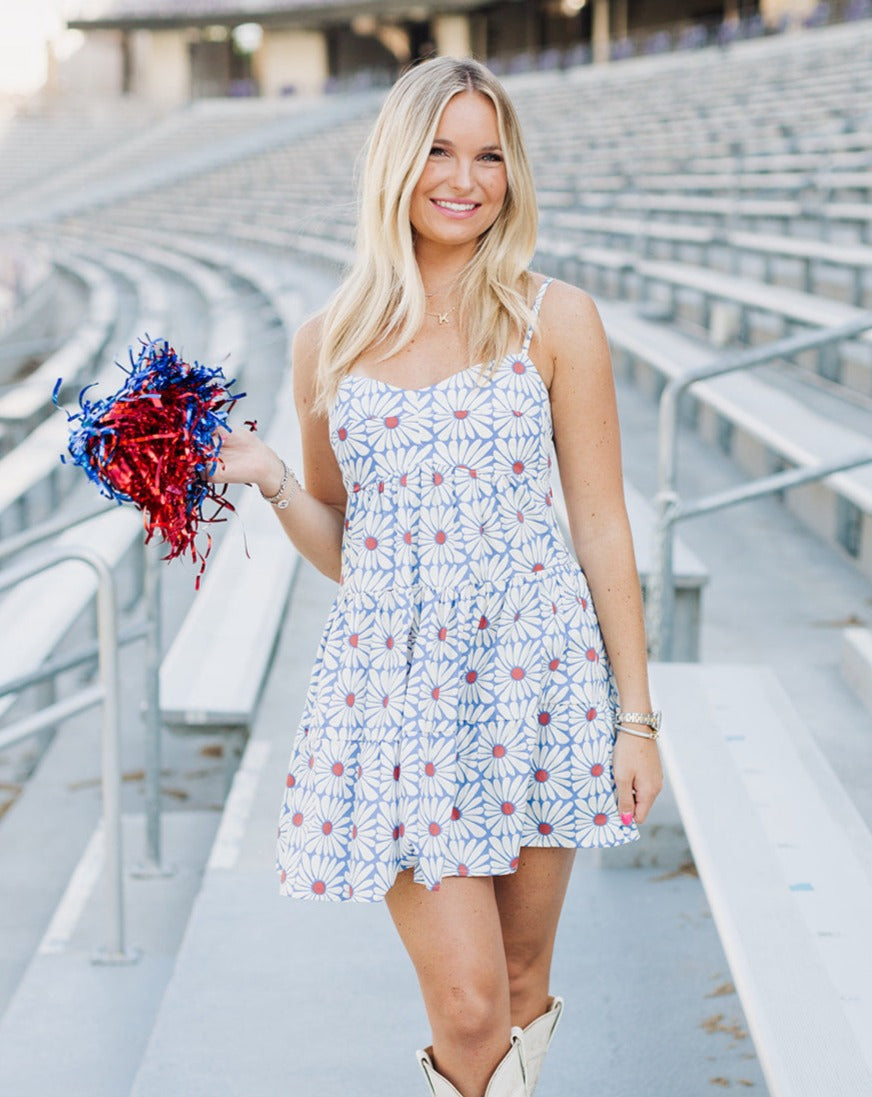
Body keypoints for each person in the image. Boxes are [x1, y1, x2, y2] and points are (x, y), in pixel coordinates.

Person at [211, 56, 663, 1097]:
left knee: (515, 975)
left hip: (535, 679)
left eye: (489, 154)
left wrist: (633, 717)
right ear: (395, 164)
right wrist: (276, 476)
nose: (465, 178)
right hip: (399, 695)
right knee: (465, 1007)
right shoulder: (328, 341)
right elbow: (348, 546)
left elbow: (598, 523)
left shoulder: (556, 318)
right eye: (440, 151)